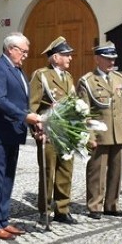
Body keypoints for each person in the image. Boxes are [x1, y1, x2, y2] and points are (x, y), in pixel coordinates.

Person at [0, 32, 43, 240]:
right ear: (11, 49)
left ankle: (2, 219)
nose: (26, 55)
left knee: (8, 178)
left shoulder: (17, 69)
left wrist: (31, 123)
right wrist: (25, 116)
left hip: (12, 132)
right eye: (23, 51)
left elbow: (21, 101)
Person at [77, 42, 122, 219]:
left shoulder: (118, 78)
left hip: (118, 132)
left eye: (113, 59)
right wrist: (90, 136)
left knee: (116, 171)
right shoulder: (87, 81)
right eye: (108, 59)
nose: (111, 62)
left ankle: (112, 204)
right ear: (97, 59)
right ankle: (94, 205)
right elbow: (83, 112)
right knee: (97, 171)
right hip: (99, 133)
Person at [29, 36, 78, 225]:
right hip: (49, 131)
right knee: (48, 171)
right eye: (66, 55)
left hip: (67, 132)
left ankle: (62, 209)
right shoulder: (41, 75)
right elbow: (32, 106)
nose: (70, 58)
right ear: (55, 57)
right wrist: (36, 129)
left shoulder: (68, 77)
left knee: (66, 170)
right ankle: (45, 209)